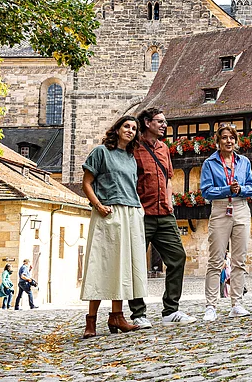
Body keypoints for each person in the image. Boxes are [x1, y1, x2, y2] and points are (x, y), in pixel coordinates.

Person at [80, 116, 148, 338]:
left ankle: (117, 315)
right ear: (117, 129)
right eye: (126, 126)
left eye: (134, 128)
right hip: (107, 212)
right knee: (101, 265)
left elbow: (132, 187)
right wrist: (98, 205)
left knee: (122, 266)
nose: (130, 130)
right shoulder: (101, 152)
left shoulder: (131, 157)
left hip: (130, 213)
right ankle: (91, 321)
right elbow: (87, 183)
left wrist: (139, 210)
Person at [129, 107, 196, 327]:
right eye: (160, 121)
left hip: (164, 214)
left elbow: (167, 178)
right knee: (137, 263)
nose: (164, 125)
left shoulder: (164, 149)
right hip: (142, 215)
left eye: (165, 122)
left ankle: (171, 311)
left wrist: (169, 203)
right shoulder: (133, 148)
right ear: (147, 123)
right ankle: (138, 314)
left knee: (178, 258)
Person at [200, 124, 252, 321]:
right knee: (216, 260)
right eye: (224, 138)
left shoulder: (243, 162)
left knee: (239, 260)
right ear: (218, 141)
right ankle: (211, 306)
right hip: (220, 208)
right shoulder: (210, 163)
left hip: (241, 207)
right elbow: (206, 191)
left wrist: (239, 189)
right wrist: (226, 189)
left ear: (236, 140)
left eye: (232, 138)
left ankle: (237, 303)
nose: (228, 141)